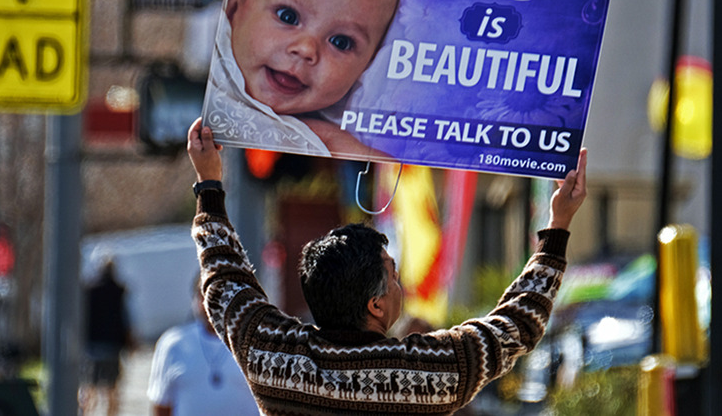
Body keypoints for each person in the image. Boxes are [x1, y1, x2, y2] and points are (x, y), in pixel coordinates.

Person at [186, 117, 587, 415]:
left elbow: (224, 283)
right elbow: (518, 325)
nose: (402, 286)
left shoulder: (277, 362)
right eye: (393, 277)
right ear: (375, 305)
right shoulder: (422, 376)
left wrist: (208, 183)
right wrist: (558, 227)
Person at [204, 0, 400, 158]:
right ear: (235, 8)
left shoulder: (323, 136)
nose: (307, 49)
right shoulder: (210, 89)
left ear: (369, 65)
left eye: (340, 42)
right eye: (288, 16)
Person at [147, 277, 260, 416]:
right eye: (205, 295)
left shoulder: (256, 345)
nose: (212, 304)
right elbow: (162, 405)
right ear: (195, 300)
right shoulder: (173, 343)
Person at [80, 258, 134, 416]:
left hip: (92, 346)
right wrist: (129, 342)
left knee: (88, 388)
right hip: (112, 347)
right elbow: (126, 318)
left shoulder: (89, 290)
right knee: (112, 390)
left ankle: (84, 413)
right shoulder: (119, 291)